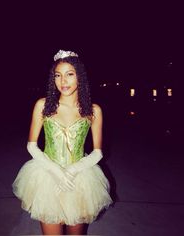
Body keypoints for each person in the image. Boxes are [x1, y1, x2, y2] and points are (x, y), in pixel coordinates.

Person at [12, 49, 113, 235]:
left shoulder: (93, 110)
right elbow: (31, 145)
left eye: (69, 74)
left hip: (79, 179)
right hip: (48, 176)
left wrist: (73, 170)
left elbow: (98, 152)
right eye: (58, 75)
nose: (63, 81)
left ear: (80, 77)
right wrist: (56, 171)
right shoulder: (43, 105)